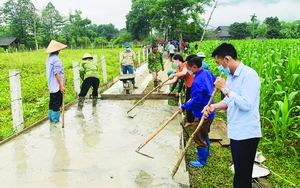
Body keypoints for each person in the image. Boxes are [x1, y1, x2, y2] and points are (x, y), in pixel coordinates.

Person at [205, 43, 261, 188]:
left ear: (227, 59)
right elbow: (229, 101)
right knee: (239, 173)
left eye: (218, 63)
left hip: (247, 134)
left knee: (242, 177)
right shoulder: (230, 76)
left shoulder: (249, 75)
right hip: (236, 132)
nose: (219, 67)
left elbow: (246, 104)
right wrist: (213, 106)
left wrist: (224, 88)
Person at [178, 56, 216, 168]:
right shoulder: (207, 73)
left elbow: (196, 100)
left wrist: (184, 107)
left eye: (188, 68)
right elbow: (215, 82)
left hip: (202, 113)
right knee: (204, 133)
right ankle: (205, 150)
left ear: (194, 67)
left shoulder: (197, 81)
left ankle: (202, 160)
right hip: (210, 111)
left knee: (198, 135)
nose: (188, 70)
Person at [164, 54, 195, 127]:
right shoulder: (179, 69)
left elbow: (184, 73)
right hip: (188, 86)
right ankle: (190, 120)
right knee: (188, 102)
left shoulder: (185, 64)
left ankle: (191, 120)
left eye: (173, 61)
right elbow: (174, 80)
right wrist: (164, 84)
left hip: (193, 85)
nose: (173, 63)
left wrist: (174, 75)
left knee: (190, 102)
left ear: (177, 60)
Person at [45, 40, 67, 123]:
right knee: (57, 104)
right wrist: (61, 86)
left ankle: (50, 118)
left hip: (51, 85)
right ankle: (55, 120)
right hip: (56, 85)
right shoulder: (56, 60)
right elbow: (57, 74)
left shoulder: (48, 59)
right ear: (57, 50)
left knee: (52, 102)